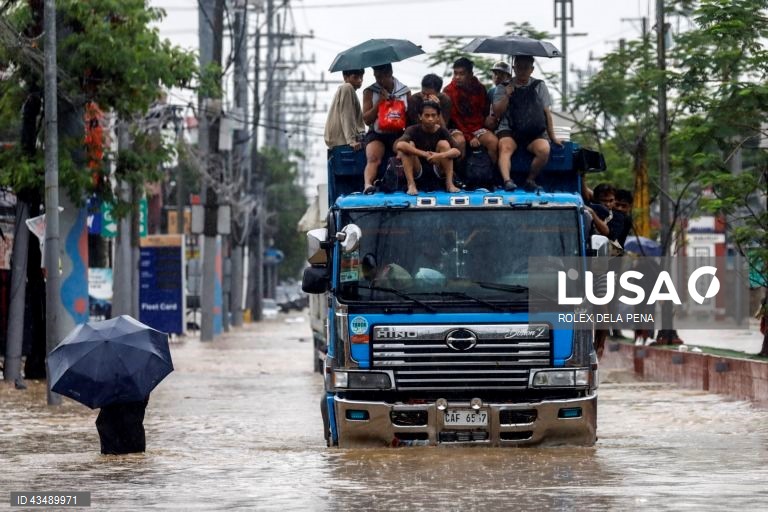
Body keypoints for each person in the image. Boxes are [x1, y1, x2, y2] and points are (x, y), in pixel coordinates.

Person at [493, 55, 561, 191]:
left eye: (526, 68)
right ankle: (507, 180)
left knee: (544, 149)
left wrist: (552, 137)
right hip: (509, 129)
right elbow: (497, 113)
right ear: (514, 68)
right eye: (519, 67)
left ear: (532, 69)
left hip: (533, 130)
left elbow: (546, 112)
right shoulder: (503, 87)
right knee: (505, 147)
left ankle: (530, 179)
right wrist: (507, 96)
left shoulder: (539, 85)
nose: (522, 71)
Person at [362, 63, 411, 194]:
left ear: (390, 74)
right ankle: (368, 184)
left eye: (382, 77)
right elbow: (366, 119)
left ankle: (404, 182)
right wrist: (380, 103)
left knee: (403, 151)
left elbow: (410, 117)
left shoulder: (404, 91)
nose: (379, 80)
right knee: (373, 156)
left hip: (397, 133)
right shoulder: (370, 92)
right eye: (376, 77)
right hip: (377, 133)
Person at [395, 101, 461, 195]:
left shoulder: (442, 131)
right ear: (420, 116)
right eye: (427, 115)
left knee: (444, 144)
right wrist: (424, 154)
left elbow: (457, 151)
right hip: (418, 169)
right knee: (409, 146)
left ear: (438, 117)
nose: (430, 119)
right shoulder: (412, 130)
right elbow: (399, 145)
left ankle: (449, 184)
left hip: (437, 169)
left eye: (433, 115)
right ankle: (411, 184)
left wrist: (439, 155)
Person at [443, 57, 498, 162]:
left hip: (477, 126)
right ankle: (458, 176)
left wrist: (480, 132)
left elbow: (484, 112)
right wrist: (469, 137)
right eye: (455, 73)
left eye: (461, 74)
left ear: (470, 74)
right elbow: (455, 118)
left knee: (493, 141)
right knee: (459, 142)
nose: (457, 77)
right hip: (456, 127)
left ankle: (493, 173)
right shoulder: (448, 91)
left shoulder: (480, 88)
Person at [324, 69, 366, 151]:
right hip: (343, 141)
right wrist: (351, 140)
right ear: (345, 77)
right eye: (355, 77)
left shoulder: (348, 90)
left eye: (361, 77)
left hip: (340, 141)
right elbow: (347, 114)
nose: (360, 80)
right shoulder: (347, 87)